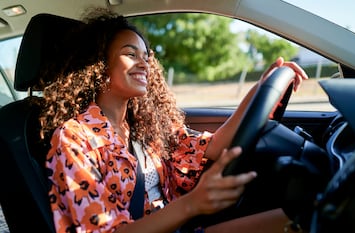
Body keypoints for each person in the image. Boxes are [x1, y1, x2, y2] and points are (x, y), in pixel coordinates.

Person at [39, 7, 309, 233]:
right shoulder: (74, 138)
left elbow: (212, 147)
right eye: (131, 54)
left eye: (146, 56)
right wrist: (193, 204)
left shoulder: (144, 126)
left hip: (181, 225)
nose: (144, 63)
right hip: (180, 220)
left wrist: (261, 88)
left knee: (303, 217)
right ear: (99, 64)